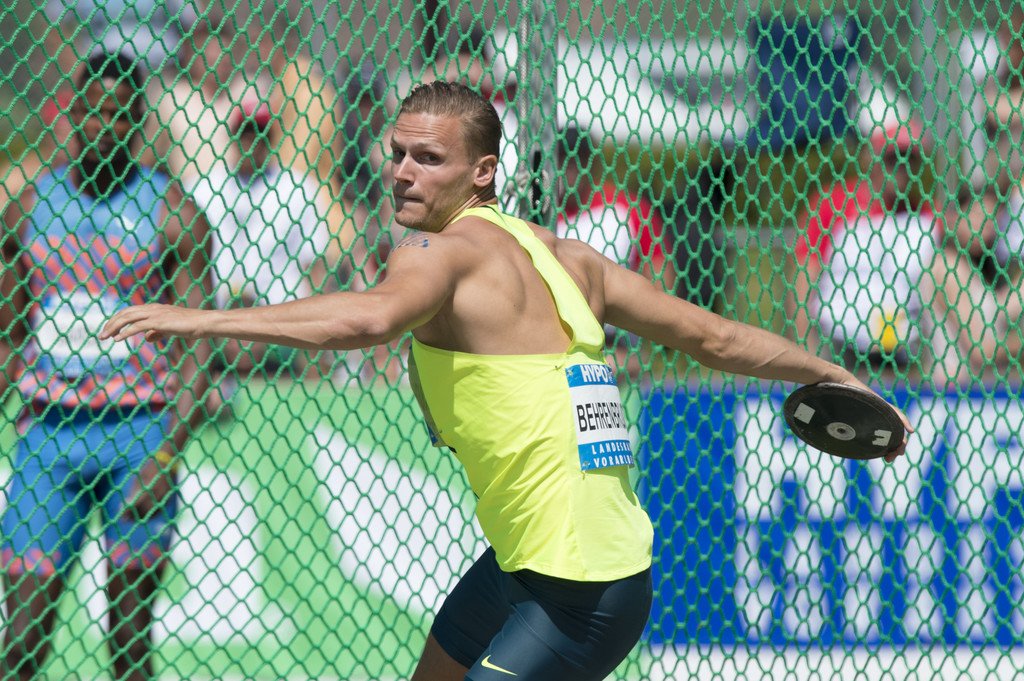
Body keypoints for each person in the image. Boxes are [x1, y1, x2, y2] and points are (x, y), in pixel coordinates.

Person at [101, 81, 909, 681]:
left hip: (579, 593)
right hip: (533, 562)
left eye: (429, 158)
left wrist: (202, 318)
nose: (404, 173)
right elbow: (712, 335)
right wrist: (829, 369)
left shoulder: (436, 253)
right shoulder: (571, 258)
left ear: (483, 172)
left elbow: (369, 319)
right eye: (397, 153)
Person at [0, 51, 210, 681]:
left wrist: (166, 455)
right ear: (72, 114)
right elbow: (8, 334)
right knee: (23, 638)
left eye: (118, 115)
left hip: (137, 435)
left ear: (138, 123)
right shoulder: (28, 206)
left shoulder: (174, 211)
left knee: (129, 643)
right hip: (48, 434)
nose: (102, 126)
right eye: (91, 111)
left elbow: (198, 352)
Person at [190, 99, 333, 379]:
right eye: (245, 134)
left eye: (259, 134)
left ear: (271, 139)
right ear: (233, 136)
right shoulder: (203, 188)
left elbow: (314, 265)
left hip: (282, 322)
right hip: (217, 320)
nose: (251, 142)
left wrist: (316, 339)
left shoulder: (297, 189)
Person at [791, 119, 941, 377]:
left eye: (910, 160)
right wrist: (806, 354)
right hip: (838, 347)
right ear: (872, 160)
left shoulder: (927, 214)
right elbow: (804, 277)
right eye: (893, 159)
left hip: (906, 351)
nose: (902, 168)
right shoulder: (834, 204)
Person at [553, 124, 676, 376]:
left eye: (577, 160)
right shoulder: (541, 215)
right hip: (556, 348)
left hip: (618, 349)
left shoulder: (627, 208)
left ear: (591, 162)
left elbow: (661, 274)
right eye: (563, 160)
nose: (569, 170)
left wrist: (647, 347)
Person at [928, 87, 1024, 384]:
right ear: (954, 219)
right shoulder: (946, 267)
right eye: (979, 218)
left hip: (981, 397)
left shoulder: (978, 272)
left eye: (992, 220)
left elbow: (1003, 309)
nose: (987, 228)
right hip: (950, 395)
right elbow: (983, 350)